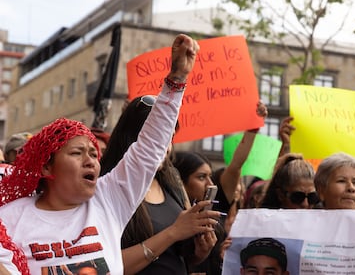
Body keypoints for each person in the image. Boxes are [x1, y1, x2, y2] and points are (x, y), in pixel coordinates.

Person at [0, 34, 207, 274]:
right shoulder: (10, 218)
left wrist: (177, 80)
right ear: (47, 167)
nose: (91, 161)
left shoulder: (108, 199)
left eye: (93, 154)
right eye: (77, 153)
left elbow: (150, 148)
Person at [100, 96, 219, 275]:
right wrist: (172, 232)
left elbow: (179, 256)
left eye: (170, 137)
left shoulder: (171, 179)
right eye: (157, 138)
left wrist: (200, 251)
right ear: (132, 137)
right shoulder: (105, 187)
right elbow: (103, 266)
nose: (166, 147)